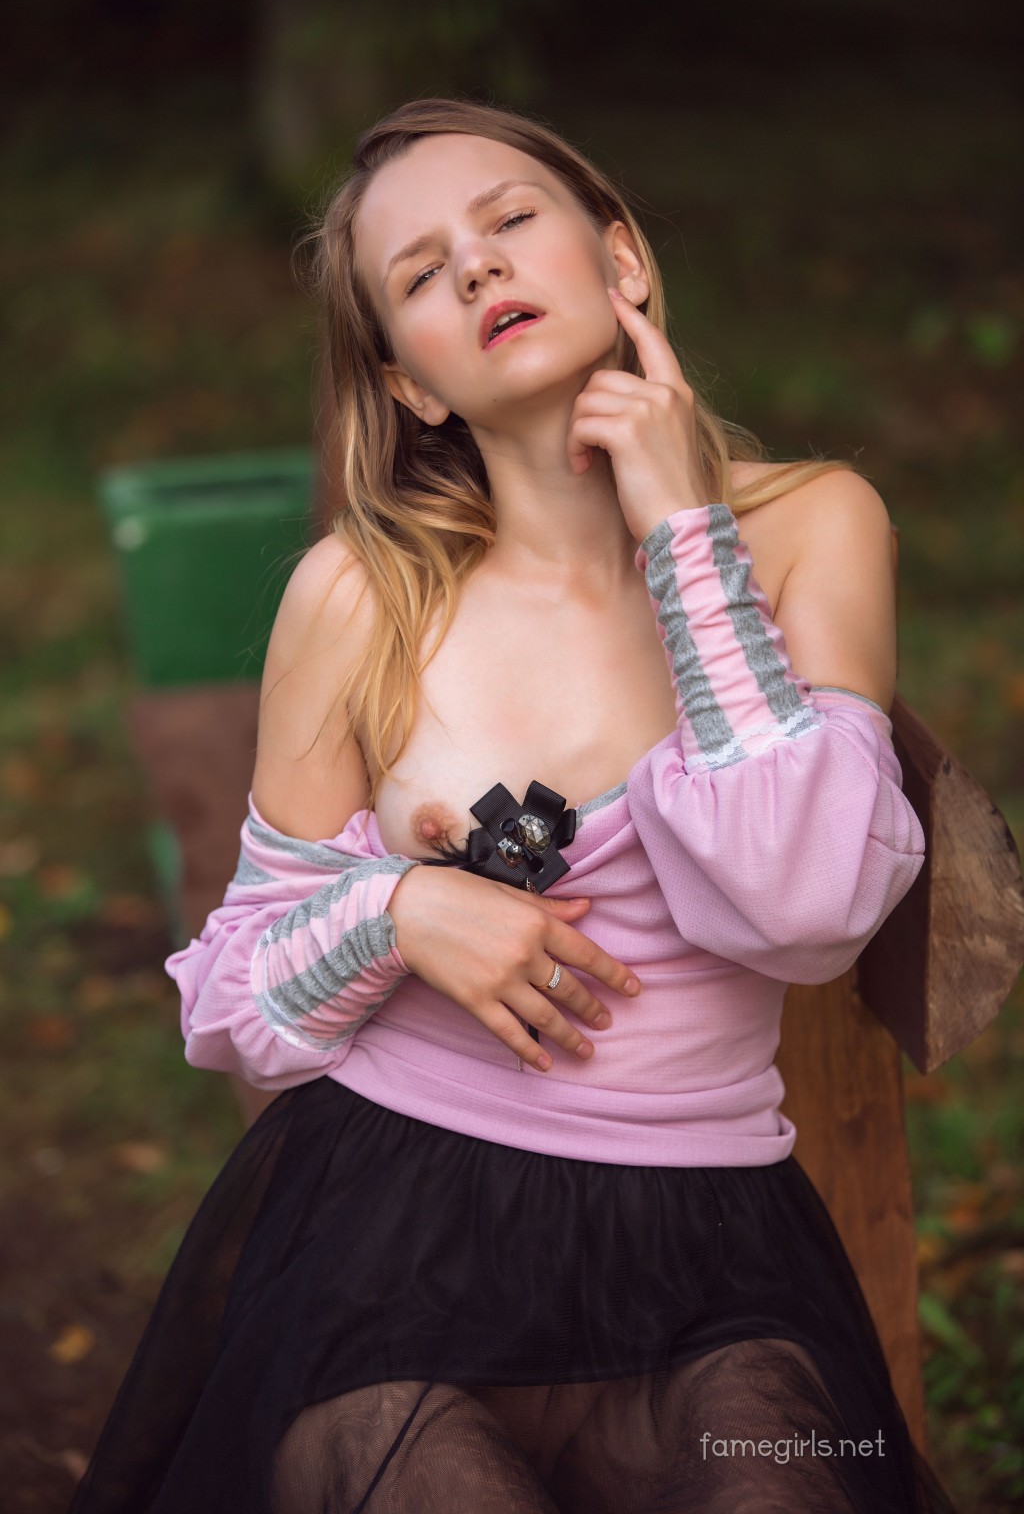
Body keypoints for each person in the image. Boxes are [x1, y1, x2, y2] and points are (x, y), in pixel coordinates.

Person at [68, 98, 958, 1513]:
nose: (476, 266)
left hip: (709, 1250)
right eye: (422, 274)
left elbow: (807, 912)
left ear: (623, 261)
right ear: (411, 383)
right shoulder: (359, 599)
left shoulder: (811, 526)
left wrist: (684, 536)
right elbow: (231, 1008)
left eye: (509, 221)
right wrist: (399, 911)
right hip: (394, 1241)